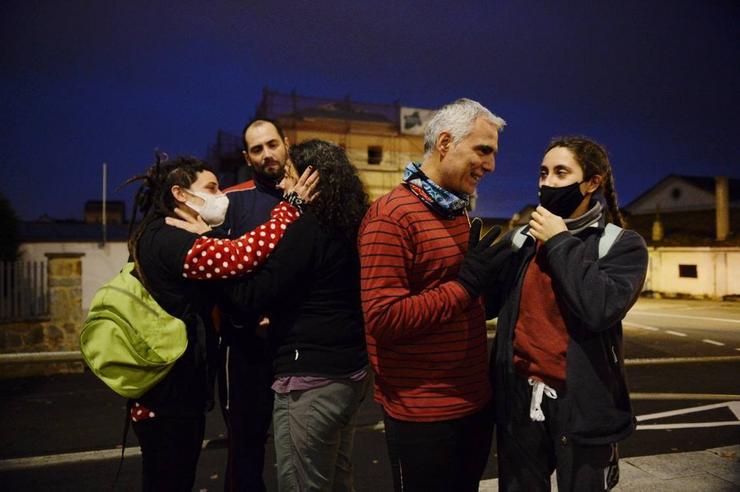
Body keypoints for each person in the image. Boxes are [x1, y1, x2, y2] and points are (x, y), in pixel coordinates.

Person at [124, 154, 314, 491]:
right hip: (168, 396)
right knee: (169, 478)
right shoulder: (168, 238)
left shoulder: (162, 233)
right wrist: (290, 206)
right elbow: (240, 257)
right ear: (180, 194)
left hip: (169, 391)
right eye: (211, 188)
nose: (220, 196)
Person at [357, 98, 509, 492]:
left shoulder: (455, 213)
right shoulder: (390, 216)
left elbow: (455, 304)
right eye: (483, 150)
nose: (490, 165)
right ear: (445, 143)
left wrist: (488, 292)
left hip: (473, 404)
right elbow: (385, 320)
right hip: (422, 415)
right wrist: (464, 287)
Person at [487, 136, 649, 491]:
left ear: (592, 183)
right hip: (519, 404)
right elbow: (486, 307)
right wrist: (472, 274)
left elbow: (599, 308)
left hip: (582, 410)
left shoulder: (621, 245)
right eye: (543, 173)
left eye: (561, 172)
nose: (548, 183)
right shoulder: (522, 241)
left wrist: (560, 242)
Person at [221, 139, 370, 492]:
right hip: (350, 373)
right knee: (336, 477)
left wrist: (211, 244)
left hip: (309, 380)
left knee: (303, 483)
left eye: (289, 176)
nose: (283, 185)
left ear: (311, 180)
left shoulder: (306, 229)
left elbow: (250, 296)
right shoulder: (351, 227)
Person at [216, 118, 293, 491]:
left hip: (297, 347)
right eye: (258, 149)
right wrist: (247, 316)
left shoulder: (309, 196)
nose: (267, 154)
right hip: (245, 348)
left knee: (299, 449)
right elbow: (216, 273)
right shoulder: (230, 202)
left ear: (286, 144)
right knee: (246, 451)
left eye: (272, 144)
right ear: (248, 157)